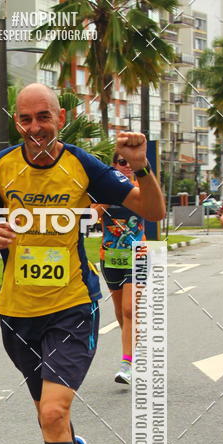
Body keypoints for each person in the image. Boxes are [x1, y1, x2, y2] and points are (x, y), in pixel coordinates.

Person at [0, 84, 166, 444]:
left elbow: (154, 211)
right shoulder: (0, 167)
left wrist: (140, 166)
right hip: (16, 314)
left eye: (44, 117)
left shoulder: (81, 165)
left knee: (54, 412)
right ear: (17, 122)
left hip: (73, 308)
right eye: (26, 119)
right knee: (48, 419)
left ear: (61, 117)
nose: (36, 127)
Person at [97, 151, 146, 386]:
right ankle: (132, 347)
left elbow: (154, 209)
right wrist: (105, 199)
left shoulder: (140, 188)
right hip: (110, 257)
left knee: (129, 309)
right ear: (114, 165)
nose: (126, 167)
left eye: (130, 163)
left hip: (138, 255)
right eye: (121, 163)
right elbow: (92, 214)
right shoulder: (103, 190)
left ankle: (126, 364)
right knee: (120, 311)